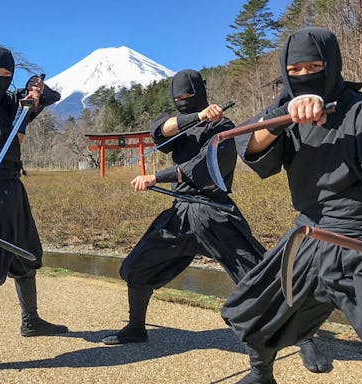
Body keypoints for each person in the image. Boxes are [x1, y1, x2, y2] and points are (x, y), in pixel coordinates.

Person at [100, 69, 327, 373]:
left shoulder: (224, 126)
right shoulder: (181, 126)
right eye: (178, 98)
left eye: (188, 97)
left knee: (260, 277)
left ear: (200, 92)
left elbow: (203, 169)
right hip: (179, 214)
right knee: (135, 268)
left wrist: (156, 176)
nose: (183, 101)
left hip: (213, 212)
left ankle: (305, 336)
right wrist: (195, 117)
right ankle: (136, 328)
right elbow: (159, 129)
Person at [221, 27, 362, 384]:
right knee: (253, 314)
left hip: (360, 243)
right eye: (295, 70)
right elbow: (250, 146)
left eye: (314, 66)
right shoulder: (283, 113)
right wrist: (286, 117)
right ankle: (260, 375)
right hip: (306, 236)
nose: (305, 76)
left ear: (332, 64)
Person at [0, 47, 66, 380]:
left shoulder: (6, 100)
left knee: (26, 256)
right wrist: (27, 112)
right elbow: (9, 146)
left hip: (12, 188)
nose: (3, 81)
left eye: (9, 76)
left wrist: (35, 91)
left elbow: (53, 95)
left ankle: (30, 321)